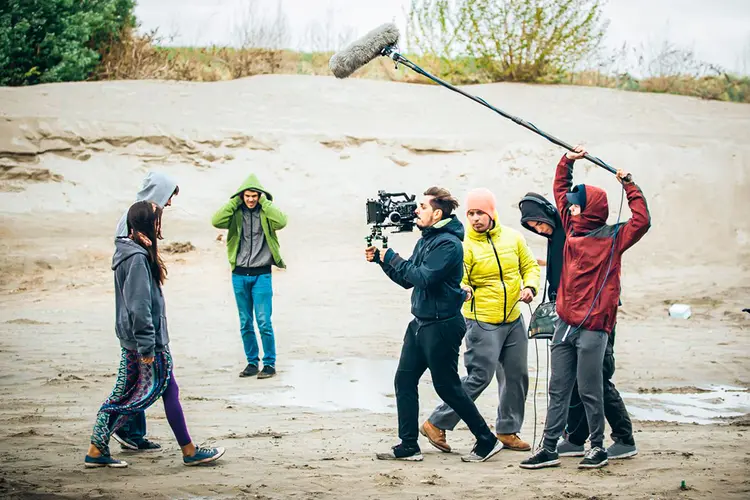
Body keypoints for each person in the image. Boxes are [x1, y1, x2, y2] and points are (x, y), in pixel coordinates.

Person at [520, 145, 650, 470]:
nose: (570, 210)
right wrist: (568, 161)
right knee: (557, 389)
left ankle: (598, 447)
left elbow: (643, 220)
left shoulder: (614, 238)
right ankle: (549, 447)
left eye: (577, 208)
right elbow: (560, 191)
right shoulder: (570, 227)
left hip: (594, 328)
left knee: (591, 389)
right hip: (565, 323)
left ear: (589, 210)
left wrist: (629, 185)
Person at [365, 186, 503, 463]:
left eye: (422, 207)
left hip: (442, 326)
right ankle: (408, 445)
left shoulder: (449, 244)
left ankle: (487, 440)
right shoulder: (428, 239)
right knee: (403, 380)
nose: (416, 211)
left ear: (437, 213)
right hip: (420, 323)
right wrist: (382, 260)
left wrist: (391, 256)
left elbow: (423, 277)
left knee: (447, 386)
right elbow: (408, 280)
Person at [85, 201, 225, 468]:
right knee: (131, 396)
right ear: (149, 223)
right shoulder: (136, 258)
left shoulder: (134, 250)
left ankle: (189, 450)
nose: (161, 224)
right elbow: (139, 307)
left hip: (141, 341)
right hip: (145, 344)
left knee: (163, 390)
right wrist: (148, 348)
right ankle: (96, 448)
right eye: (158, 219)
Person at [420, 188, 540, 454]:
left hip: (513, 319)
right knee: (479, 377)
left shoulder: (513, 238)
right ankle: (436, 422)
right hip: (482, 322)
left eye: (480, 213)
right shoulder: (464, 246)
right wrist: (464, 288)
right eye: (471, 214)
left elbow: (530, 266)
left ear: (492, 213)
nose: (475, 218)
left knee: (516, 376)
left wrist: (530, 287)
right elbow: (458, 278)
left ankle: (508, 430)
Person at [112, 171, 179, 452]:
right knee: (140, 385)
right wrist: (147, 341)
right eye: (169, 198)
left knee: (136, 383)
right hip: (141, 330)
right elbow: (137, 295)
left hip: (138, 328)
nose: (171, 204)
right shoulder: (136, 225)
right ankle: (109, 434)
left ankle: (131, 433)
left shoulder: (141, 217)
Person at [211, 174, 287, 379]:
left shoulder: (266, 212)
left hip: (261, 274)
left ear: (260, 196)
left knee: (263, 321)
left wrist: (265, 202)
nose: (251, 199)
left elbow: (282, 221)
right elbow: (216, 220)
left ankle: (269, 364)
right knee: (245, 322)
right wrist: (234, 201)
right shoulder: (236, 212)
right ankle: (252, 362)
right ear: (242, 196)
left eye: (254, 196)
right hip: (239, 275)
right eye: (247, 196)